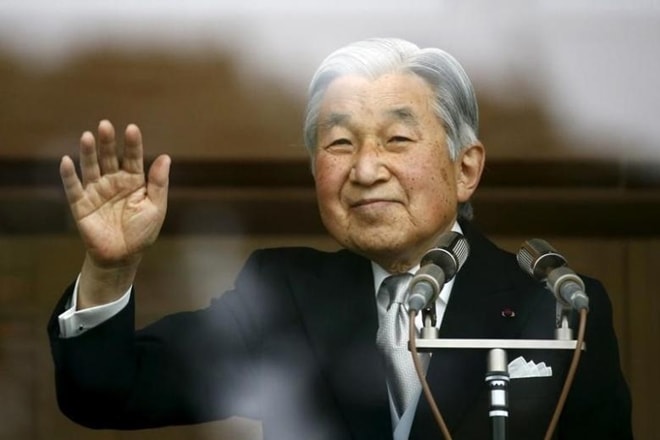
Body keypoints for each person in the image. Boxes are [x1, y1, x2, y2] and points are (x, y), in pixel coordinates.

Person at [48, 38, 633, 439]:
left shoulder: (557, 306)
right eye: (339, 144)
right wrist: (110, 268)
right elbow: (109, 391)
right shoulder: (285, 294)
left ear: (466, 168)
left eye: (397, 140)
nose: (366, 169)